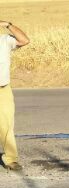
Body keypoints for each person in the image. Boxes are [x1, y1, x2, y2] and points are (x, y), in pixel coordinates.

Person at [0, 21, 30, 171]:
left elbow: (25, 40)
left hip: (3, 88)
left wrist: (8, 24)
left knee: (6, 125)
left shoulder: (5, 40)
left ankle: (11, 159)